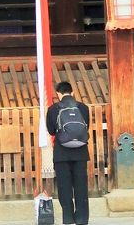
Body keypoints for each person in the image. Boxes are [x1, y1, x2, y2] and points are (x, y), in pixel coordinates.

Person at [46, 81, 90, 225]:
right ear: (72, 93)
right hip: (81, 152)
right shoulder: (83, 108)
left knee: (64, 186)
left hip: (62, 153)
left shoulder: (53, 109)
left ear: (58, 94)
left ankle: (68, 218)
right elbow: (86, 127)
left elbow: (51, 130)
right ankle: (82, 219)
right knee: (81, 186)